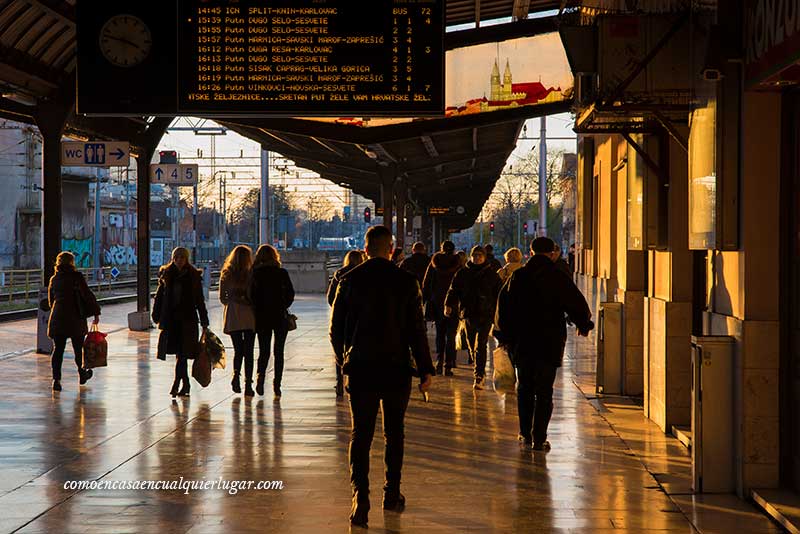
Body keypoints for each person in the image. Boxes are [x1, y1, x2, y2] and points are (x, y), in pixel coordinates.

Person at [330, 225, 434, 528]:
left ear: (365, 250)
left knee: (360, 434)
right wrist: (426, 369)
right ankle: (392, 492)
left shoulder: (347, 280)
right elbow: (417, 330)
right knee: (394, 433)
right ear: (391, 250)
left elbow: (336, 330)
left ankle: (360, 497)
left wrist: (344, 360)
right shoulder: (407, 281)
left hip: (361, 367)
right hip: (396, 368)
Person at [494, 237, 594, 451]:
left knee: (525, 387)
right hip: (550, 341)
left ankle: (524, 433)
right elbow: (575, 301)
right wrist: (583, 324)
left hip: (522, 341)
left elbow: (504, 307)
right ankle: (539, 437)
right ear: (551, 253)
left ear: (530, 252)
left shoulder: (518, 277)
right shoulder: (557, 276)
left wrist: (505, 336)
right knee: (545, 390)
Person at [153, 247, 209, 398]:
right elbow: (159, 297)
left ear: (186, 259)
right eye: (177, 258)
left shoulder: (193, 276)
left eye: (182, 258)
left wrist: (204, 320)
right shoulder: (167, 274)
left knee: (182, 354)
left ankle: (178, 383)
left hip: (188, 321)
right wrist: (156, 315)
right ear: (173, 258)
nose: (179, 261)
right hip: (171, 321)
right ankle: (184, 383)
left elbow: (199, 300)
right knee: (179, 354)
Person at [444, 245, 502, 389]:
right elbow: (454, 290)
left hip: (485, 314)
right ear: (471, 256)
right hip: (469, 313)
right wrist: (449, 304)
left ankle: (479, 375)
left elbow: (499, 294)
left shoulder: (491, 274)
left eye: (479, 255)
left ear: (484, 257)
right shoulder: (463, 273)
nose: (477, 258)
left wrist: (498, 313)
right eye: (474, 255)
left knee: (481, 344)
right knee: (471, 343)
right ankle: (477, 365)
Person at [47, 251, 101, 391]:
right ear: (72, 262)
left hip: (58, 317)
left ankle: (56, 380)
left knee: (58, 350)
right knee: (78, 349)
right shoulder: (77, 277)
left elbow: (50, 302)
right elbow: (87, 295)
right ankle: (82, 374)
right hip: (75, 317)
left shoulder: (54, 278)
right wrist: (95, 312)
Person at [251, 245, 295, 399]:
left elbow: (251, 295)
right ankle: (277, 385)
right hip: (279, 316)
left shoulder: (255, 274)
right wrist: (283, 306)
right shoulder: (281, 273)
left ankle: (260, 379)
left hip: (261, 317)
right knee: (279, 352)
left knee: (264, 351)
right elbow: (290, 294)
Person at [220, 245, 256, 396]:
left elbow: (223, 298)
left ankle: (236, 376)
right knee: (249, 351)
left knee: (238, 350)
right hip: (249, 315)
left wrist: (234, 300)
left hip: (233, 315)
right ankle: (248, 383)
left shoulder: (226, 274)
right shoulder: (251, 274)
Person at [421, 240, 461, 375]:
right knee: (451, 335)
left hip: (437, 303)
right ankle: (449, 364)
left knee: (440, 333)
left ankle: (439, 361)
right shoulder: (458, 264)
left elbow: (426, 284)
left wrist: (424, 300)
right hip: (454, 304)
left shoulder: (434, 263)